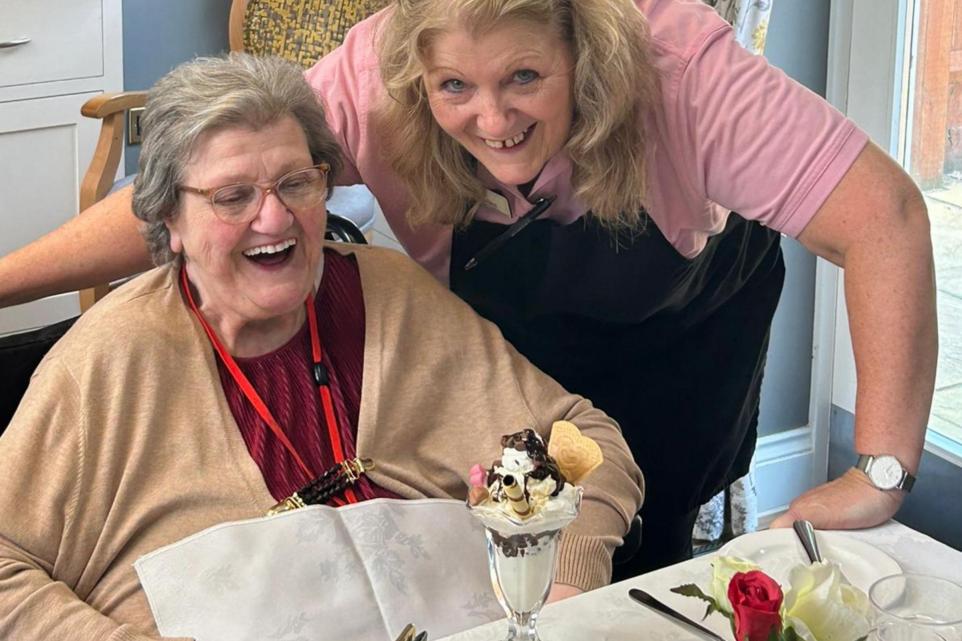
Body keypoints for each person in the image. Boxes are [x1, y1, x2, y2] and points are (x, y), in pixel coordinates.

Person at [0, 0, 937, 576]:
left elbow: (885, 216)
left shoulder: (677, 68)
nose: (492, 119)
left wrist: (878, 471)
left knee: (631, 533)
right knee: (515, 519)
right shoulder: (371, 77)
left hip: (681, 323)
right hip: (514, 320)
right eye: (455, 88)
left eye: (525, 77)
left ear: (580, 52)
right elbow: (221, 180)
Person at [0, 54, 643, 640]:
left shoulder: (388, 295)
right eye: (232, 196)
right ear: (169, 217)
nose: (274, 219)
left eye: (296, 182)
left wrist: (564, 586)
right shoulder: (113, 355)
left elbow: (581, 437)